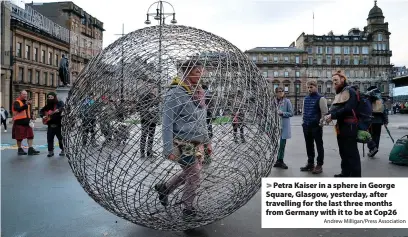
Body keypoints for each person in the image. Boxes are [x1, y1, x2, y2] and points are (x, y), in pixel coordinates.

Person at [155, 59, 212, 218]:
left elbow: (202, 121)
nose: (200, 76)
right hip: (182, 142)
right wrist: (167, 148)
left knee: (191, 172)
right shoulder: (176, 92)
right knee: (194, 175)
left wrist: (207, 142)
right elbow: (167, 122)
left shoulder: (199, 92)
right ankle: (188, 209)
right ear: (186, 72)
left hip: (197, 142)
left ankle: (165, 188)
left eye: (202, 72)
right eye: (196, 72)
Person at [324, 70, 361, 177]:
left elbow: (348, 108)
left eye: (336, 80)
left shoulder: (350, 91)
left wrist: (332, 116)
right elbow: (337, 107)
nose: (334, 82)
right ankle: (345, 173)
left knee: (351, 154)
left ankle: (356, 178)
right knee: (343, 152)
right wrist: (329, 114)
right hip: (341, 126)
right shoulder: (341, 92)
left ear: (343, 79)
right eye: (332, 81)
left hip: (350, 126)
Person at [300, 80, 328, 174]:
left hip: (316, 126)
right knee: (309, 145)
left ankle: (319, 165)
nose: (309, 89)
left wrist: (321, 124)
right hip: (306, 126)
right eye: (308, 87)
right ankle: (310, 163)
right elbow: (303, 111)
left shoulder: (321, 98)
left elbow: (324, 113)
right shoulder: (306, 98)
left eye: (311, 87)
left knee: (319, 145)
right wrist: (303, 122)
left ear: (316, 87)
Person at [11, 90, 40, 155]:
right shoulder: (16, 102)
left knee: (30, 136)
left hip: (27, 122)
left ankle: (30, 149)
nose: (25, 95)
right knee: (19, 137)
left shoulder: (27, 103)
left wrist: (32, 117)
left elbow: (28, 112)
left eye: (26, 94)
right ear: (20, 95)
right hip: (19, 122)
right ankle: (20, 149)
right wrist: (26, 104)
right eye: (24, 94)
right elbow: (18, 109)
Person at [365, 86, 388, 157]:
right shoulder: (380, 99)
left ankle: (372, 149)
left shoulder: (368, 98)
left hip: (370, 120)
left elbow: (365, 109)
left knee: (368, 136)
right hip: (379, 121)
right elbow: (384, 111)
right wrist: (385, 121)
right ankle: (375, 149)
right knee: (377, 136)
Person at [273, 86, 293, 169]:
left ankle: (280, 160)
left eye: (282, 91)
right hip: (275, 126)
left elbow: (291, 113)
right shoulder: (273, 102)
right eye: (279, 91)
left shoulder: (287, 101)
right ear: (276, 93)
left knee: (282, 144)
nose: (281, 92)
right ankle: (277, 160)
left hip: (284, 126)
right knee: (275, 144)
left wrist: (283, 113)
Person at [40, 92, 65, 157]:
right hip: (50, 125)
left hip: (58, 125)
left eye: (51, 97)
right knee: (50, 139)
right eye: (48, 97)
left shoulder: (59, 103)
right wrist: (43, 116)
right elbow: (41, 111)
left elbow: (62, 107)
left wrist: (58, 110)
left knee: (60, 138)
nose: (50, 98)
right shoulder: (48, 105)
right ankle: (50, 151)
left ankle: (63, 150)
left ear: (54, 97)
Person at [137, 86, 160, 158]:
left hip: (147, 118)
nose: (152, 88)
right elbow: (156, 108)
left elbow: (138, 107)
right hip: (149, 119)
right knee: (148, 135)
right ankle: (147, 152)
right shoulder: (150, 97)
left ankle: (144, 152)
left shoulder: (143, 96)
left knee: (146, 135)